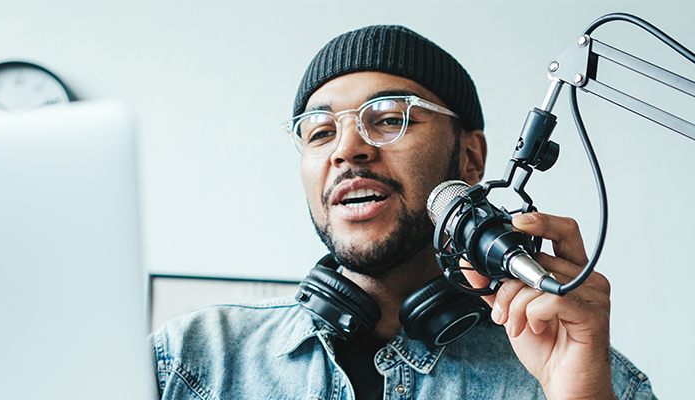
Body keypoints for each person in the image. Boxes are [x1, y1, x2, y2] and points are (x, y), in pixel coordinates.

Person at [150, 25, 654, 399]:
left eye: (389, 118)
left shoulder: (591, 376)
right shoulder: (189, 362)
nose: (347, 150)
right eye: (320, 132)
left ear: (471, 157)